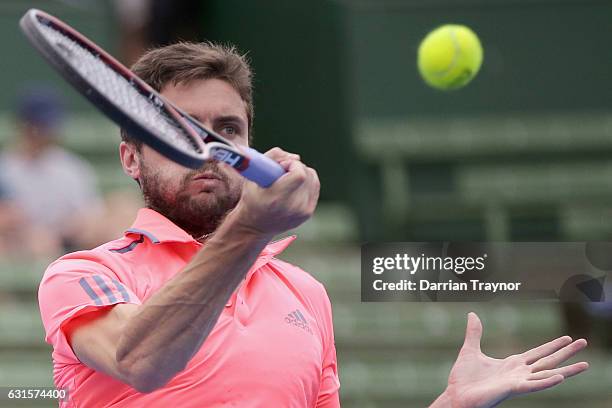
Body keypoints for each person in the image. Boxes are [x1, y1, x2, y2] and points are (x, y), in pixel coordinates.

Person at [37, 42, 588, 408]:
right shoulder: (84, 273)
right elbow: (142, 360)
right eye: (181, 131)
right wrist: (250, 228)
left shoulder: (306, 294)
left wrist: (448, 405)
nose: (208, 149)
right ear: (131, 158)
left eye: (227, 130)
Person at [0, 86, 103, 254]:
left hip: (68, 241)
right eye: (38, 126)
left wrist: (67, 230)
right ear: (23, 125)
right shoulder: (5, 167)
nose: (45, 132)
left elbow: (91, 217)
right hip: (21, 245)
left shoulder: (72, 167)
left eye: (48, 126)